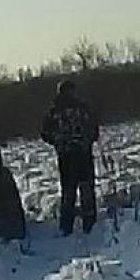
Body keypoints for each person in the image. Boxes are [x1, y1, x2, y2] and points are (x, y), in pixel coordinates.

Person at [41, 80, 99, 235]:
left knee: (69, 190)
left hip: (66, 156)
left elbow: (45, 133)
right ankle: (90, 224)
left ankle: (66, 227)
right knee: (85, 188)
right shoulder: (82, 108)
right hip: (82, 153)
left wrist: (59, 142)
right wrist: (85, 141)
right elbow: (94, 130)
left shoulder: (54, 111)